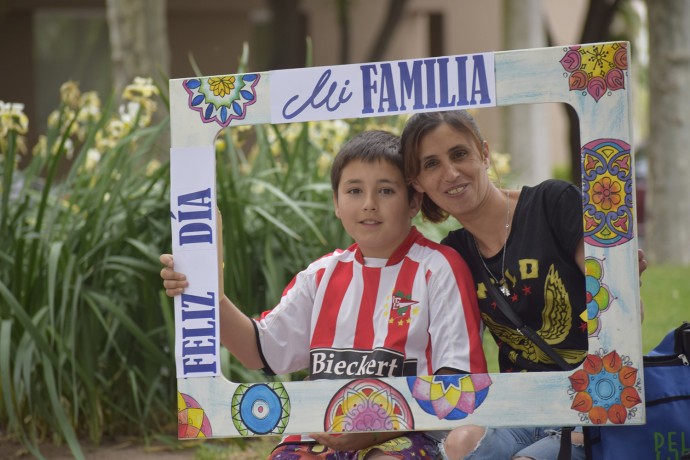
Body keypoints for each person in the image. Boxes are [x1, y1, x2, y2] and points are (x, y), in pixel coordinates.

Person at [161, 130, 488, 460]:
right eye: (354, 190)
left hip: (409, 434)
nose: (369, 204)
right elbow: (259, 350)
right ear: (336, 202)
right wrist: (206, 296)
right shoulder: (322, 274)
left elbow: (458, 387)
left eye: (386, 190)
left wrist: (371, 432)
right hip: (318, 434)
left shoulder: (439, 268)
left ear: (414, 201)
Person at [400, 110, 648, 460]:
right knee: (458, 445)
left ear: (483, 154)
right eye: (431, 165)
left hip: (595, 403)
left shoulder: (553, 203)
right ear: (418, 182)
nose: (451, 173)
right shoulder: (453, 255)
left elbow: (625, 318)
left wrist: (622, 287)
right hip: (521, 409)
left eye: (459, 154)